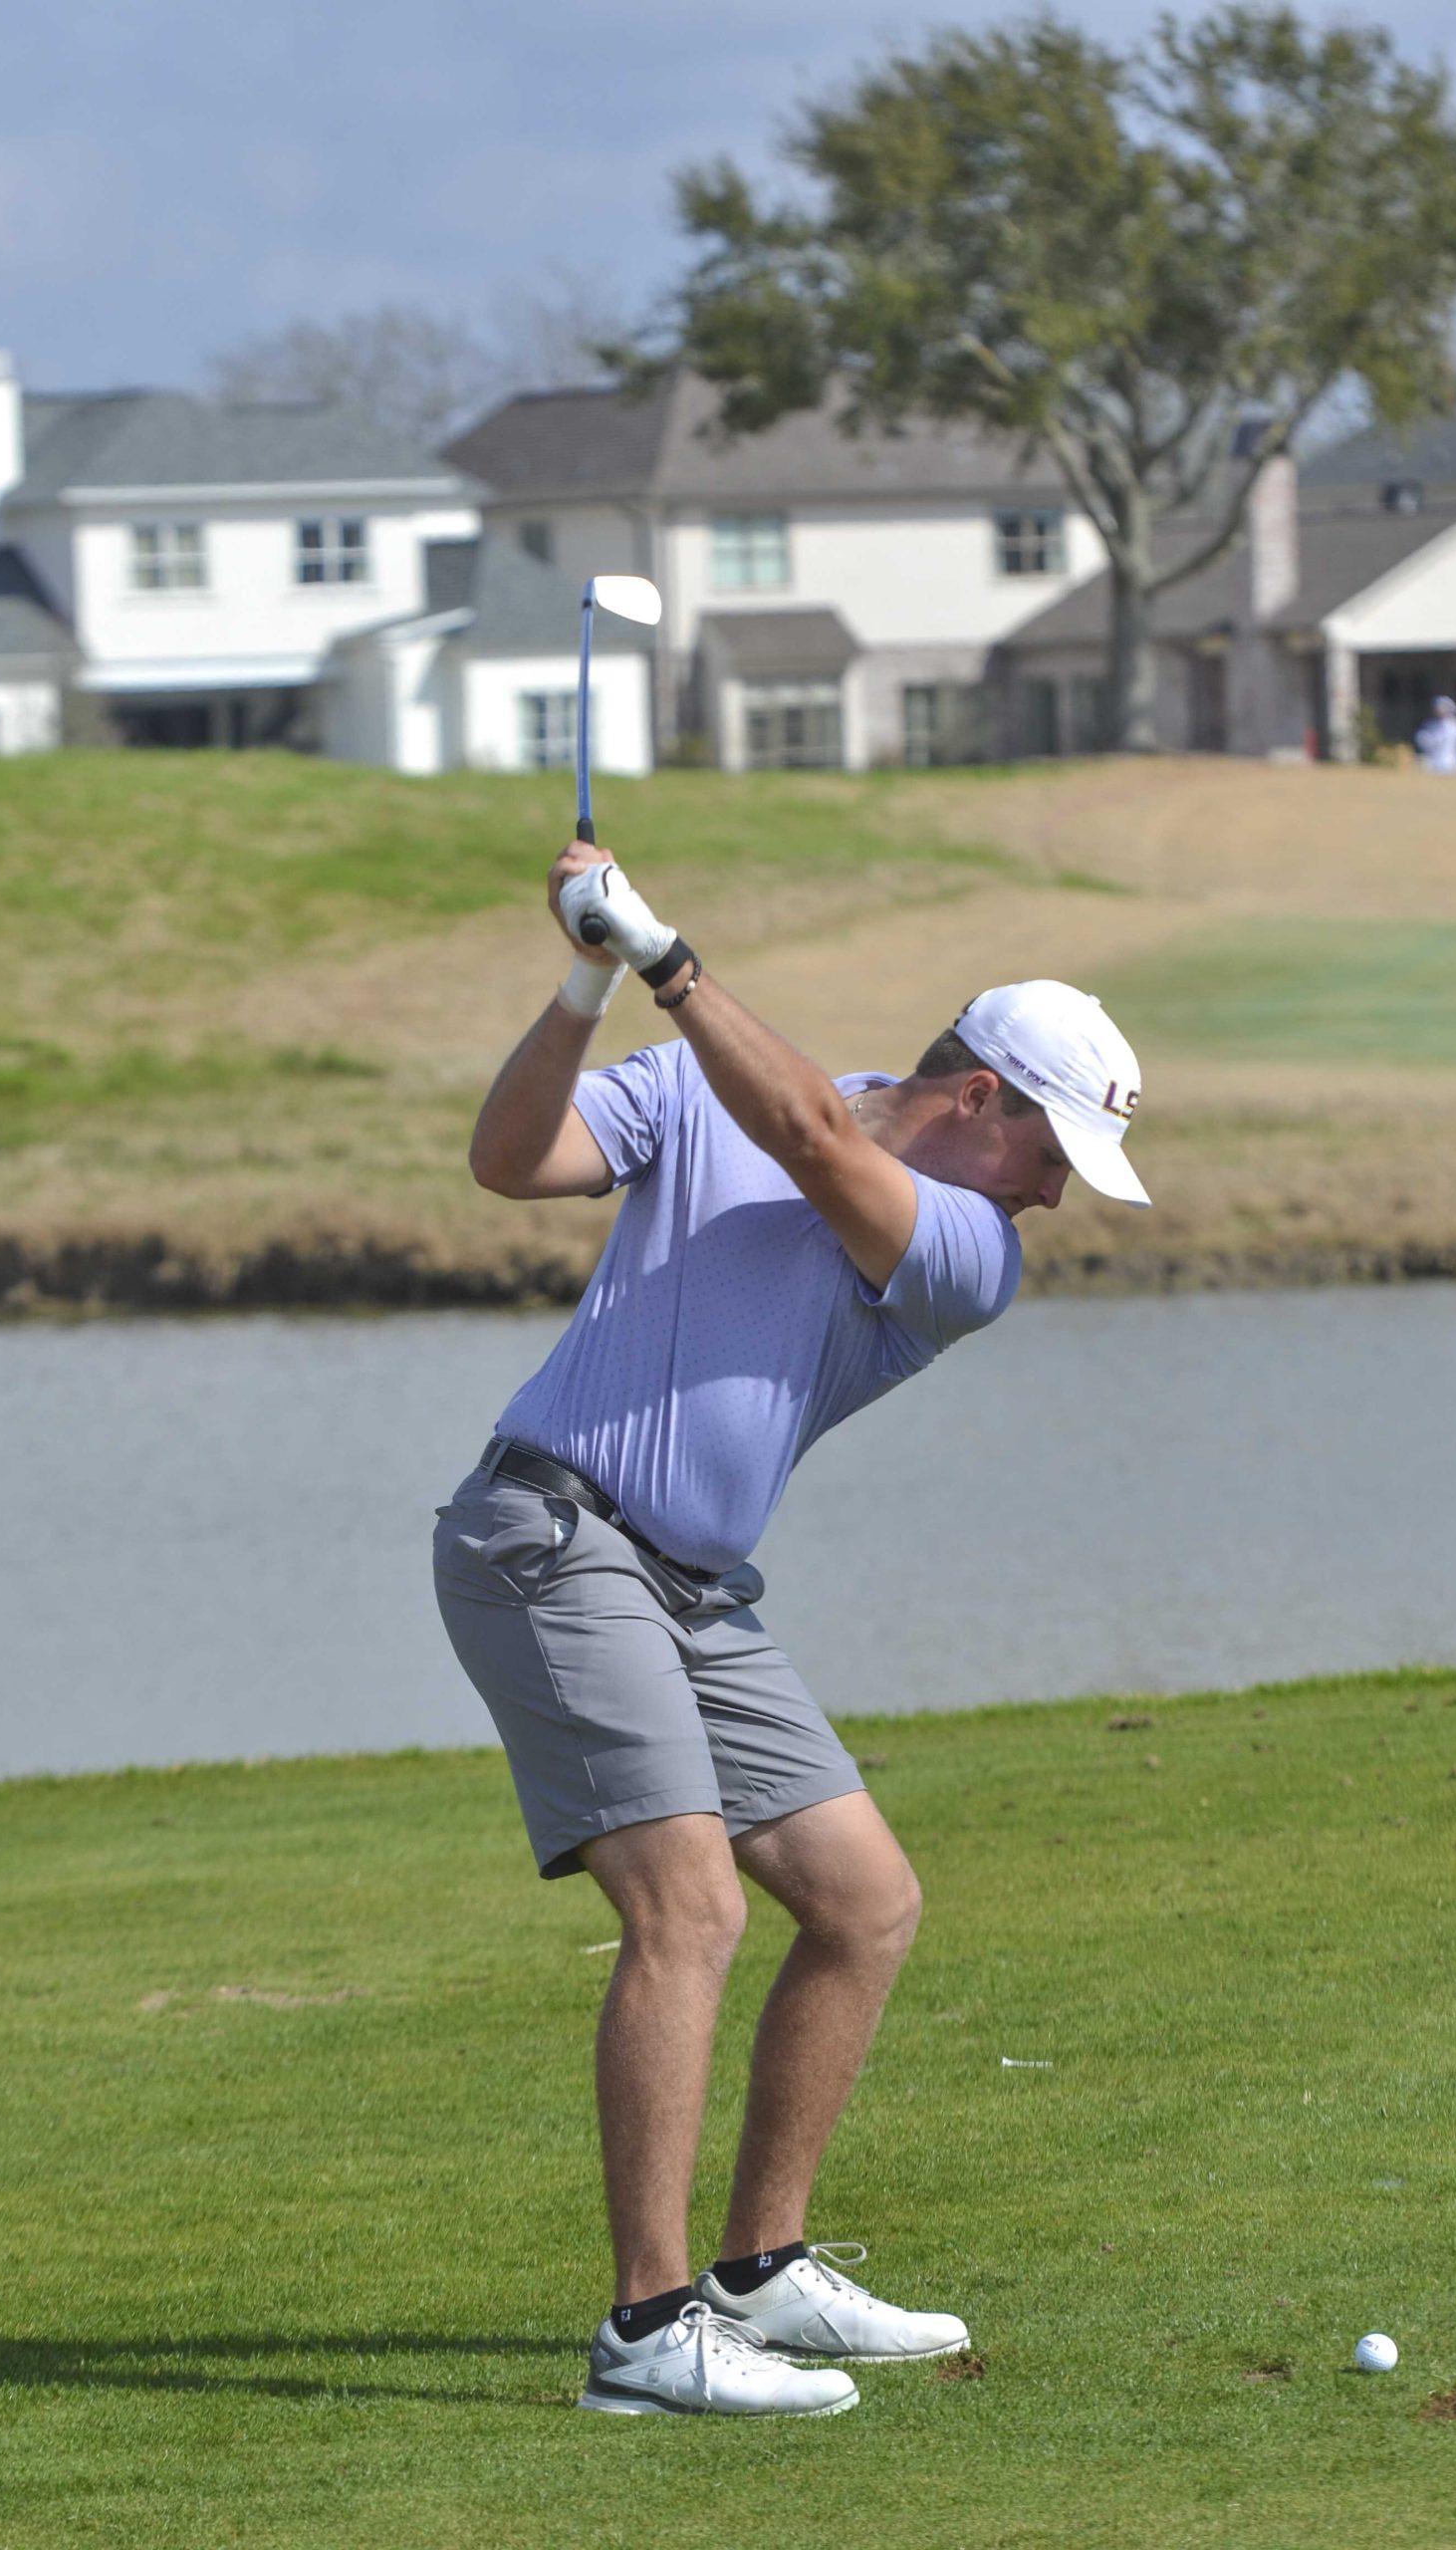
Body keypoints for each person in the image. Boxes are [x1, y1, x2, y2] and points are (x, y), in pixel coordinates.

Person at [432, 842, 1151, 2419]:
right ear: (979, 1101)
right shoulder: (706, 1091)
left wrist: (664, 957)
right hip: (548, 1539)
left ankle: (760, 2270)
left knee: (861, 1902)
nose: (1052, 1198)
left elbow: (818, 1138)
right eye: (1052, 1156)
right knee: (687, 1913)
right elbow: (510, 1160)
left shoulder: (966, 1256)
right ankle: (644, 2331)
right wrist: (581, 982)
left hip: (689, 1588)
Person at [1414, 694, 1456, 774]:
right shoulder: (1431, 724)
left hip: (1450, 764)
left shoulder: (1455, 726)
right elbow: (1425, 742)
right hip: (1434, 764)